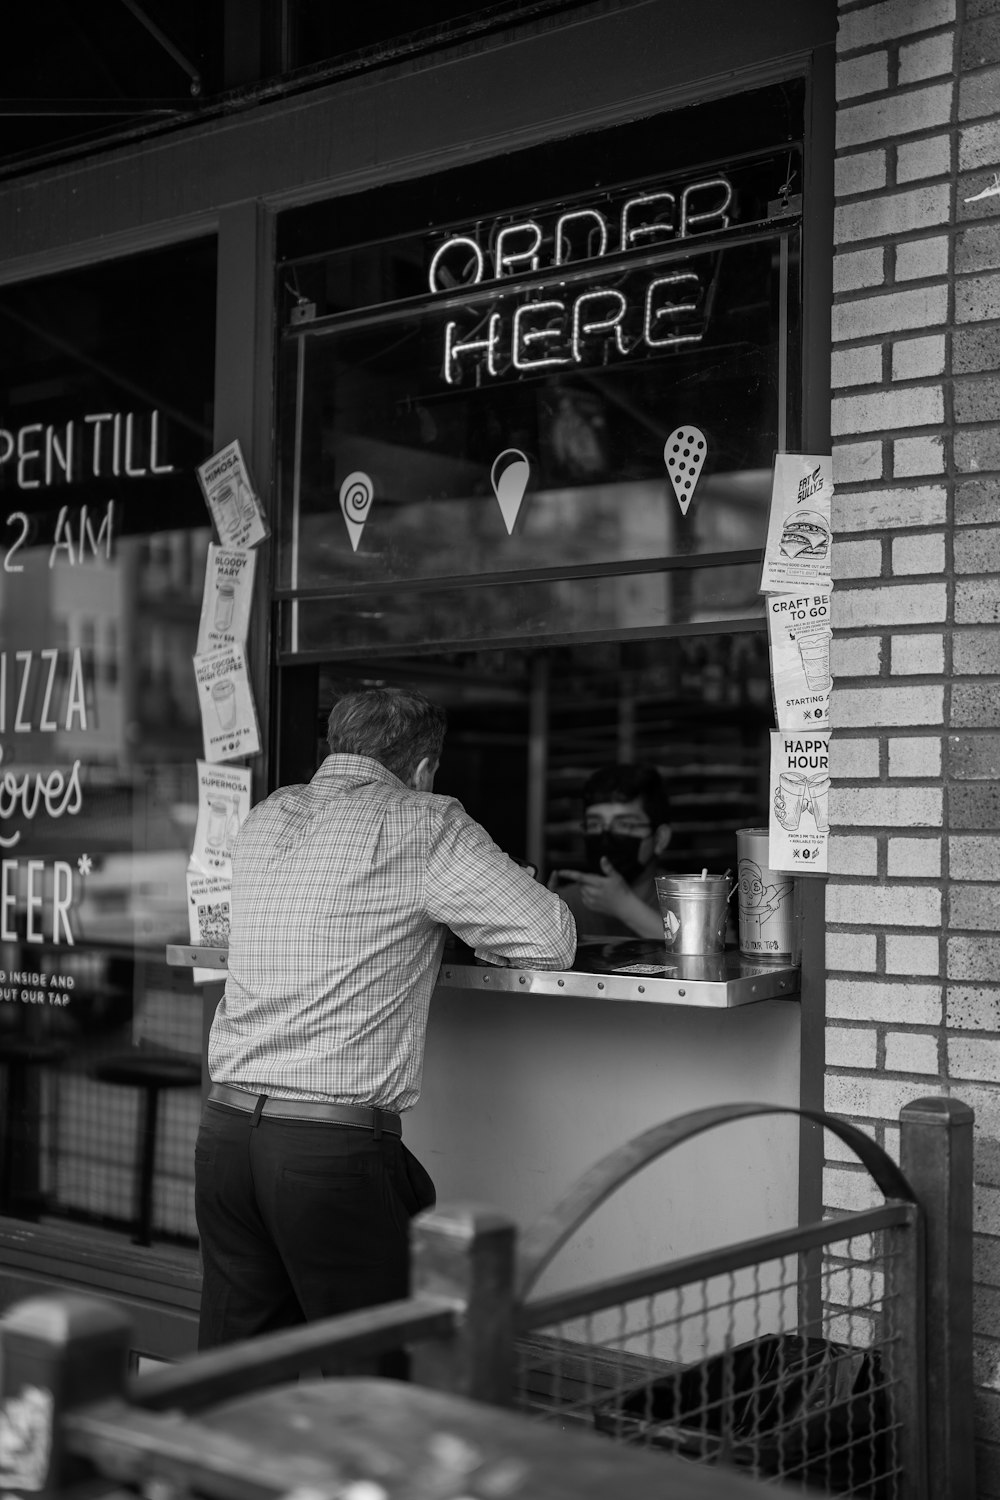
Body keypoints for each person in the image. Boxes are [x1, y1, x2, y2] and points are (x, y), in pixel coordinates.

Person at [195, 686, 576, 1351]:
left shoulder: (266, 815)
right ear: (425, 766)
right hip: (326, 1153)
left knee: (236, 1374)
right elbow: (549, 938)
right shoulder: (424, 822)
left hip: (226, 1136)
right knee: (376, 1379)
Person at [550, 762, 672, 940]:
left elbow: (715, 953)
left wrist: (624, 906)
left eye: (625, 825)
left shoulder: (688, 898)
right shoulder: (567, 903)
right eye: (594, 824)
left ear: (660, 838)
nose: (606, 836)